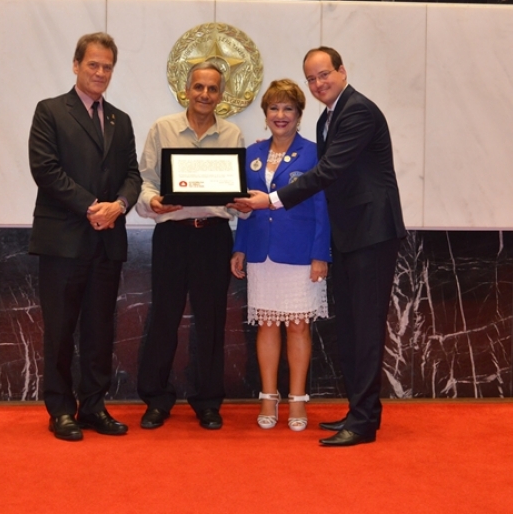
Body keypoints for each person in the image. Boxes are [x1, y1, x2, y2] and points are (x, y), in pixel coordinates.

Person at [233, 46, 406, 447]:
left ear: (342, 71)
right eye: (311, 78)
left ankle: (363, 422)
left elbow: (329, 171)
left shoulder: (357, 111)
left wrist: (271, 199)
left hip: (371, 234)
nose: (318, 83)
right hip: (350, 236)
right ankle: (360, 411)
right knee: (351, 328)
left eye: (324, 74)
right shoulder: (331, 116)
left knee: (364, 329)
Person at [28, 32, 142, 441]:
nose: (100, 72)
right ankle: (61, 409)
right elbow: (45, 169)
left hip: (106, 243)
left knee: (99, 330)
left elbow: (133, 175)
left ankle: (93, 406)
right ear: (76, 65)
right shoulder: (50, 111)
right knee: (60, 331)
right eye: (93, 64)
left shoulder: (120, 120)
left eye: (107, 66)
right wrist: (94, 206)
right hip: (63, 242)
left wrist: (119, 205)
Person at [135, 61, 245, 431]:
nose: (205, 94)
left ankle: (208, 402)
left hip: (213, 236)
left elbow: (236, 192)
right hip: (172, 235)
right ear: (186, 90)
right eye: (199, 87)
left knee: (212, 321)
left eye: (212, 89)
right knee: (164, 317)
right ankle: (156, 399)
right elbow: (145, 181)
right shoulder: (162, 128)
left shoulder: (232, 135)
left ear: (221, 95)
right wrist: (152, 202)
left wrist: (241, 203)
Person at [230, 79, 331, 432]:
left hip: (300, 253)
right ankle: (268, 396)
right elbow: (245, 205)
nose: (280, 114)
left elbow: (322, 207)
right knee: (268, 324)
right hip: (261, 251)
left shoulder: (314, 153)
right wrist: (240, 247)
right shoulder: (252, 154)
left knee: (299, 325)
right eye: (274, 107)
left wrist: (321, 254)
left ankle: (298, 399)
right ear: (265, 113)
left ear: (299, 114)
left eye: (288, 108)